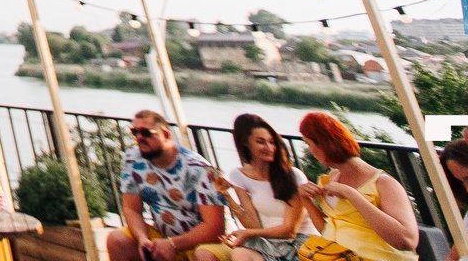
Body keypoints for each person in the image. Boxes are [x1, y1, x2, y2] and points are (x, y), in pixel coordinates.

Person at [295, 112, 418, 261]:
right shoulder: (332, 178)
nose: (311, 151)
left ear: (324, 143)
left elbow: (407, 240)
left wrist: (351, 194)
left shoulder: (383, 184)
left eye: (309, 144)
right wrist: (306, 201)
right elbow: (329, 232)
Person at [108, 110, 226, 261]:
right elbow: (131, 209)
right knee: (116, 239)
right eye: (134, 132)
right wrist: (143, 239)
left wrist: (173, 244)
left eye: (146, 133)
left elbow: (215, 228)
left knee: (204, 256)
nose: (139, 137)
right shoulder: (133, 160)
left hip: (203, 243)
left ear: (166, 135)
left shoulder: (198, 168)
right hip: (163, 238)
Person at [195, 113, 309, 261]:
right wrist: (226, 195)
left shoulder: (292, 176)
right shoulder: (238, 175)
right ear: (246, 143)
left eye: (272, 142)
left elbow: (290, 231)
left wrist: (247, 234)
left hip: (300, 244)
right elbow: (253, 224)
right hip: (270, 244)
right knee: (240, 254)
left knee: (242, 249)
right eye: (261, 142)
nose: (269, 147)